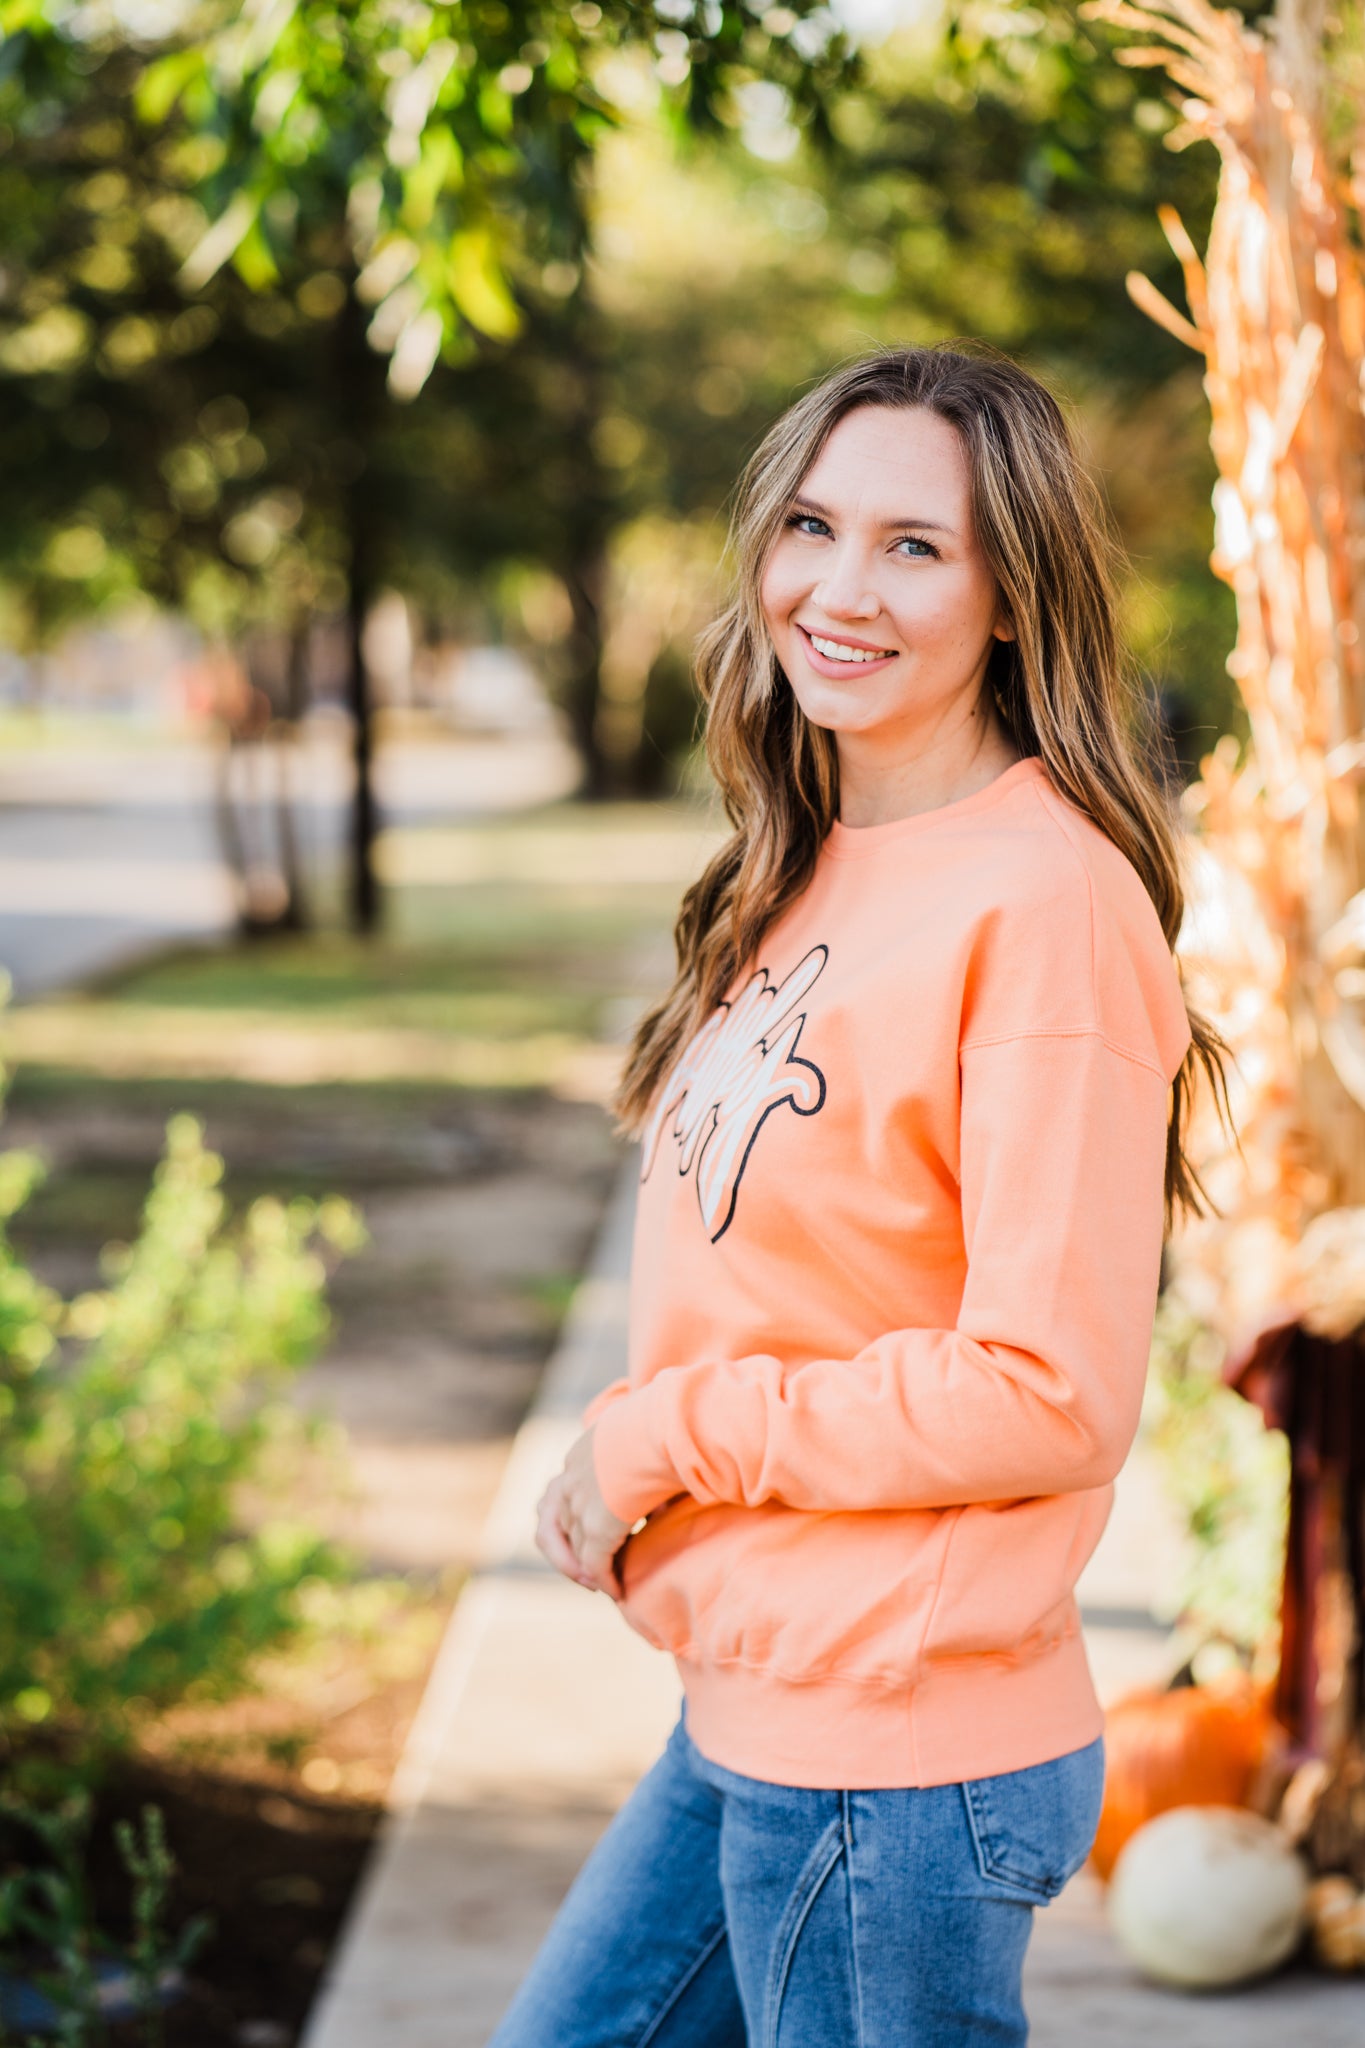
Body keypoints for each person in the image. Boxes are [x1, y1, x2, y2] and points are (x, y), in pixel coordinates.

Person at [490, 344, 1227, 2047]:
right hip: (762, 1699)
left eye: (915, 546)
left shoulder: (1041, 904)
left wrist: (658, 1440)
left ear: (1015, 599)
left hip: (893, 1758)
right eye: (812, 524)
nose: (839, 585)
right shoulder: (811, 855)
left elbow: (1045, 1391)